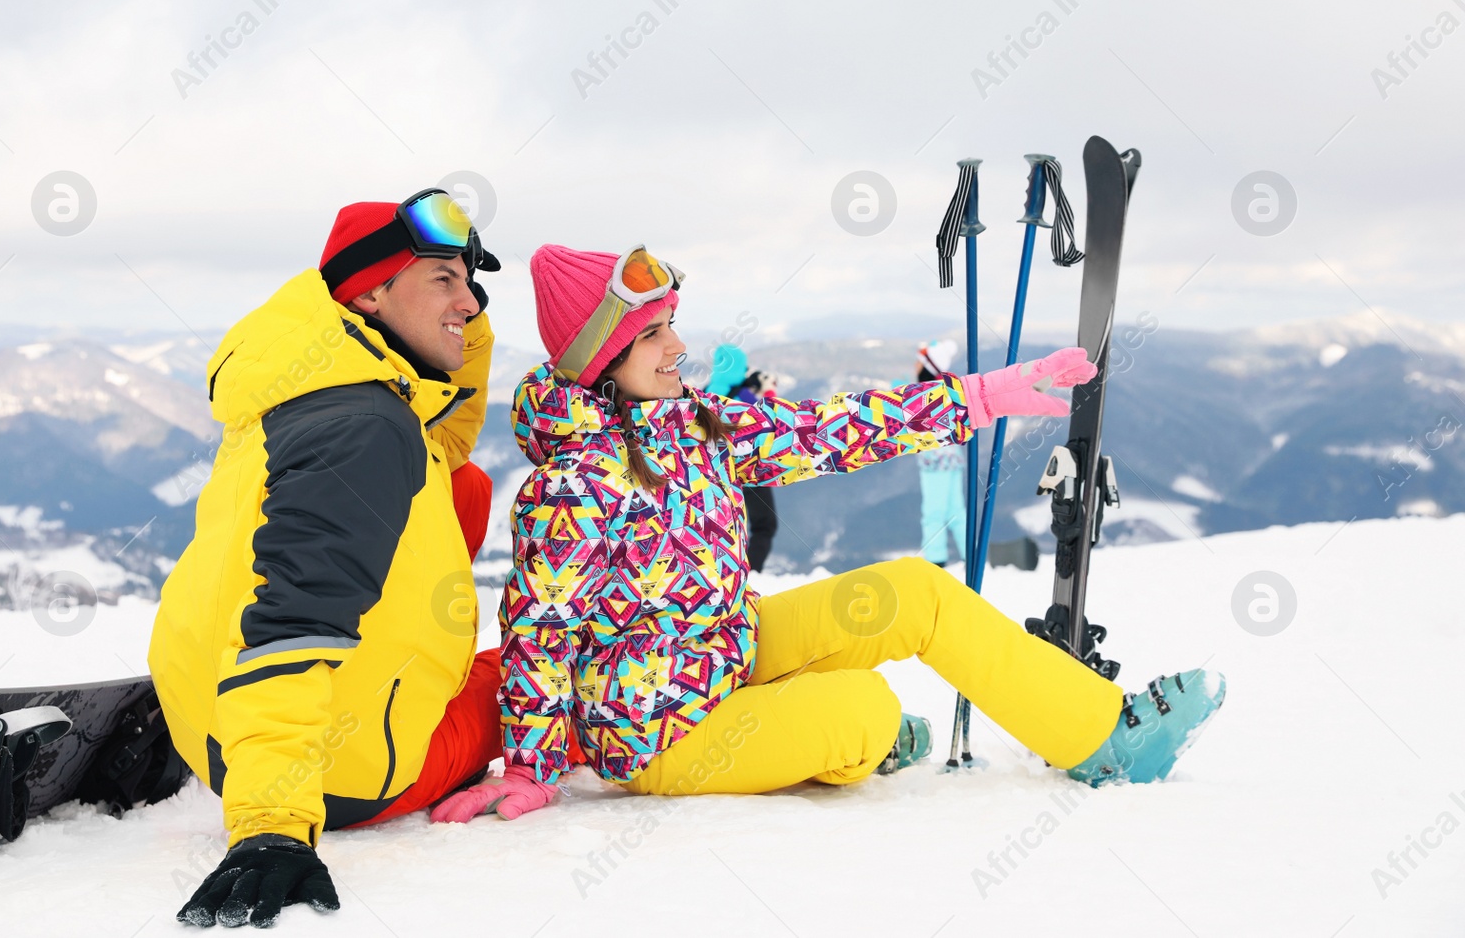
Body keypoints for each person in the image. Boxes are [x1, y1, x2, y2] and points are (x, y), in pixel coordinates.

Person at [431, 244, 1224, 825]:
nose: (678, 345)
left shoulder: (693, 424)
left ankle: (1102, 735)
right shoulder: (567, 489)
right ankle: (855, 739)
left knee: (913, 591)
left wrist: (984, 396)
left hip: (729, 651)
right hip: (661, 735)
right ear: (601, 359)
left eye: (672, 323)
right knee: (864, 709)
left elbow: (827, 429)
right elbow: (538, 634)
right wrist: (533, 767)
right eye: (651, 335)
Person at [150, 191, 507, 929]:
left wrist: (456, 320)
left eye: (468, 283)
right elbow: (291, 622)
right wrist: (272, 822)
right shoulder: (365, 428)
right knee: (559, 668)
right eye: (443, 278)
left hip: (208, 726)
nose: (468, 301)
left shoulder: (315, 368)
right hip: (343, 772)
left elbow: (448, 443)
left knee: (458, 483)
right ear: (371, 292)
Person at [703, 342, 780, 572]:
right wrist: (768, 390)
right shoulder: (743, 397)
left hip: (713, 471)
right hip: (748, 469)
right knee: (764, 526)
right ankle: (751, 572)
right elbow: (773, 417)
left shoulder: (707, 391)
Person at [914, 340, 967, 568]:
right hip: (952, 458)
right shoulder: (944, 392)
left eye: (918, 361)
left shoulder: (923, 395)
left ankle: (935, 560)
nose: (914, 366)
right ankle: (972, 555)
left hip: (935, 462)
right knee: (956, 510)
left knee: (933, 513)